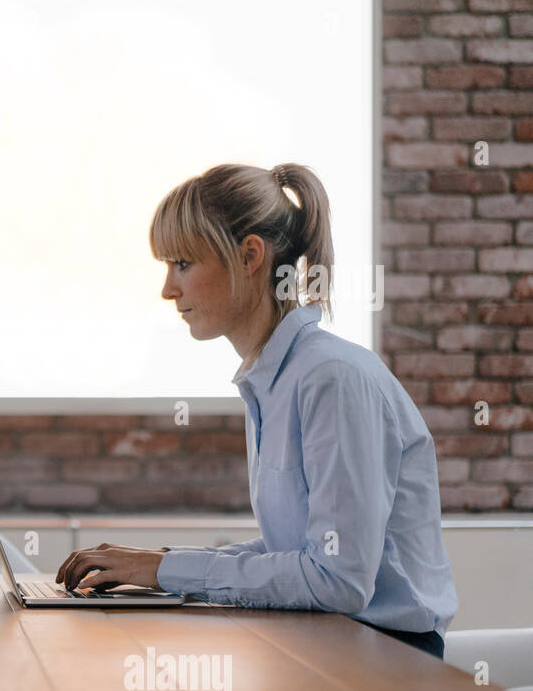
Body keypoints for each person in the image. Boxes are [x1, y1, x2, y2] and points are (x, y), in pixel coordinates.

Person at [55, 163, 457, 658]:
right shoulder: (272, 378)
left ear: (249, 255)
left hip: (388, 661)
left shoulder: (331, 378)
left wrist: (162, 570)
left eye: (182, 263)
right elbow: (296, 554)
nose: (168, 289)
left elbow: (337, 581)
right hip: (330, 647)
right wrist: (159, 563)